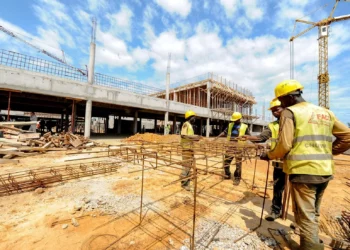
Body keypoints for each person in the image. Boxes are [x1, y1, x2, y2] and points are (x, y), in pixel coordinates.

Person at [261, 79, 350, 249]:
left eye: (281, 100)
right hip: (324, 170)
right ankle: (313, 240)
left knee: (306, 215)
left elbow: (285, 145)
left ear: (288, 97)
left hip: (304, 172)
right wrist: (328, 152)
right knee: (313, 212)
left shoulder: (290, 112)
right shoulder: (325, 112)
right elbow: (347, 136)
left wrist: (269, 155)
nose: (281, 103)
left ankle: (310, 247)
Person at [241, 99, 285, 221]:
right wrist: (249, 137)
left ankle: (300, 219)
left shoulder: (296, 122)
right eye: (272, 111)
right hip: (279, 161)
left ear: (286, 108)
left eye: (277, 109)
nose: (274, 113)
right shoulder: (273, 126)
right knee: (278, 186)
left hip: (295, 161)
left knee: (298, 191)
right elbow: (261, 138)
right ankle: (276, 210)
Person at [217, 112, 250, 185]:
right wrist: (217, 137)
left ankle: (237, 178)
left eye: (236, 120)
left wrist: (252, 143)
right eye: (234, 120)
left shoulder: (245, 126)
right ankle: (227, 174)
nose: (234, 121)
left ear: (239, 119)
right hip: (230, 146)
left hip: (239, 147)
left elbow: (248, 136)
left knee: (238, 164)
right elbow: (224, 132)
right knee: (226, 161)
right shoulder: (230, 125)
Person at [180, 110, 200, 191]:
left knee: (189, 165)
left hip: (190, 148)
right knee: (186, 166)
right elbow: (183, 136)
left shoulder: (190, 125)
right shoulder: (186, 124)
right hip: (186, 148)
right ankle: (184, 183)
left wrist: (195, 138)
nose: (194, 119)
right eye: (193, 117)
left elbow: (189, 136)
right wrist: (194, 138)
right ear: (190, 117)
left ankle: (187, 179)